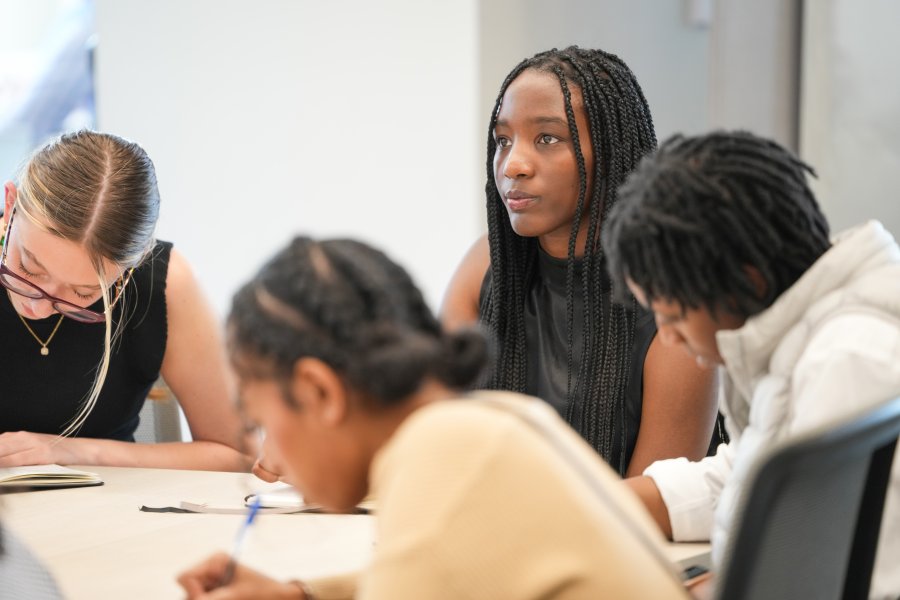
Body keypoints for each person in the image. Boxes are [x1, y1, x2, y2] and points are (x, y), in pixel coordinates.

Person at [178, 236, 690, 599]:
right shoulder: (490, 421)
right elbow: (445, 575)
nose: (272, 451)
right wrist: (300, 594)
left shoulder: (437, 460)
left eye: (263, 417)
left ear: (319, 392)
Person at [602, 130, 900, 598]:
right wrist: (603, 502)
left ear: (747, 281)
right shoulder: (807, 333)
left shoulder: (847, 359)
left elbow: (823, 572)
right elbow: (752, 473)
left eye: (676, 314)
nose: (669, 336)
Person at [441, 46, 721, 477]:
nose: (513, 164)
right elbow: (441, 444)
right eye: (503, 140)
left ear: (611, 155)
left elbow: (652, 510)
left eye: (547, 138)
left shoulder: (675, 307)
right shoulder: (485, 267)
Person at [0, 130, 249, 471]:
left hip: (111, 512)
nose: (39, 306)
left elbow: (239, 454)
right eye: (28, 268)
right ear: (10, 205)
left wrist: (70, 452)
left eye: (84, 293)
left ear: (131, 268)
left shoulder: (161, 283)